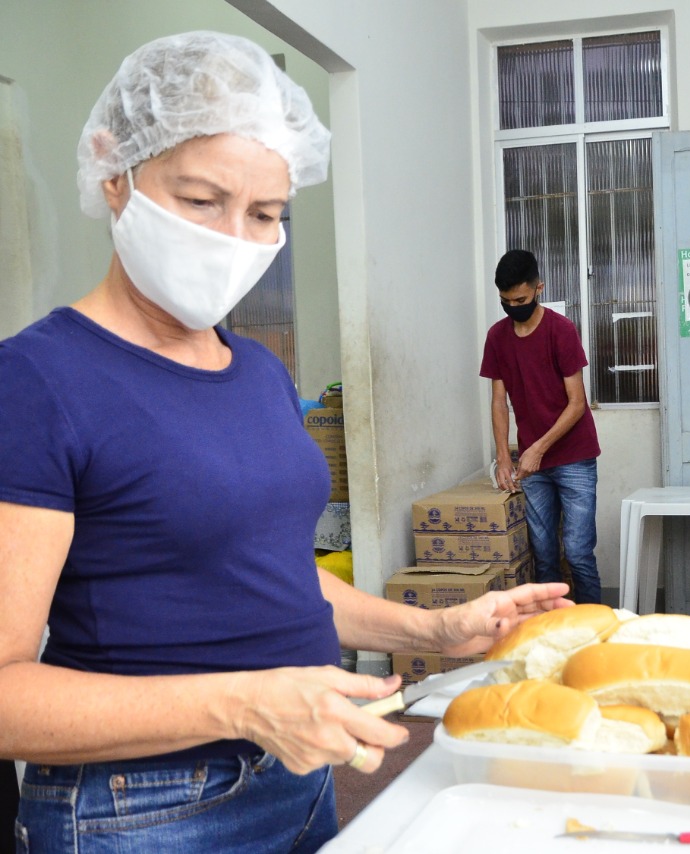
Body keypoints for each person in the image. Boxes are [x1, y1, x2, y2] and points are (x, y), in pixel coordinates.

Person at [0, 32, 573, 853]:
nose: (235, 236)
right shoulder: (35, 382)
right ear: (113, 170)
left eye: (266, 213)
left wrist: (434, 632)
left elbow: (275, 580)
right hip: (142, 809)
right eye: (201, 200)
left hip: (300, 779)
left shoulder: (260, 371)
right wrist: (242, 704)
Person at [481, 250, 603, 604]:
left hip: (575, 459)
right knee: (544, 555)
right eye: (506, 301)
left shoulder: (560, 331)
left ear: (539, 289)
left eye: (520, 299)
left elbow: (577, 403)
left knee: (578, 553)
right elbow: (498, 402)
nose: (513, 306)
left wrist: (536, 448)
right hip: (531, 465)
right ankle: (551, 633)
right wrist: (505, 457)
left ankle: (596, 633)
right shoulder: (497, 337)